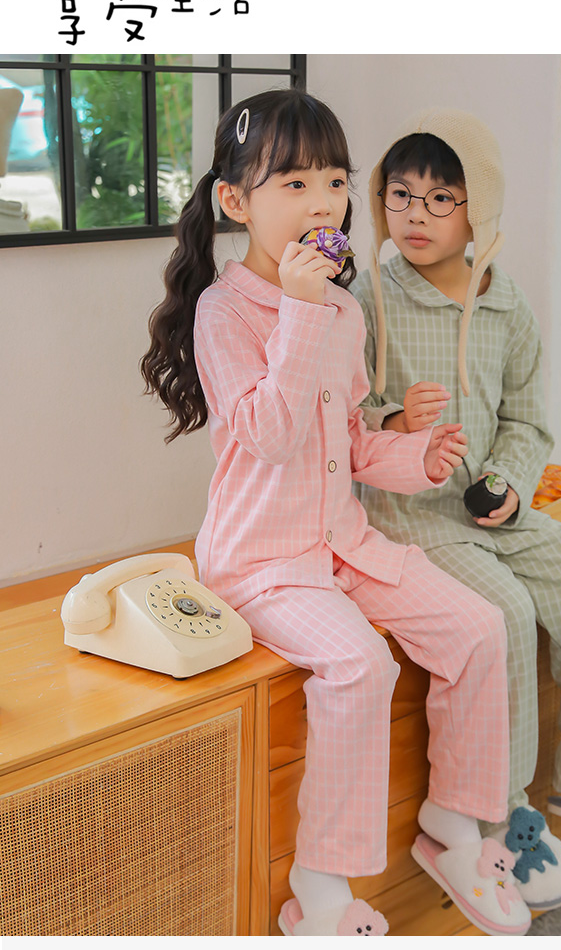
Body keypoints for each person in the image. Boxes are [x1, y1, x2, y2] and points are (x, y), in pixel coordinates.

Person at [141, 89, 532, 938]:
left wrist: (415, 457)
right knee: (360, 665)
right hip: (262, 562)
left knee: (479, 627)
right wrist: (302, 309)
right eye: (294, 183)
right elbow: (271, 436)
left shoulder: (342, 309)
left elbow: (347, 440)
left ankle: (455, 822)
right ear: (236, 201)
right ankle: (319, 888)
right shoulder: (224, 313)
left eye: (334, 181)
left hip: (343, 543)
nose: (322, 203)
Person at [350, 107, 561, 914]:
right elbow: (343, 419)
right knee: (507, 616)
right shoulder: (369, 300)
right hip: (411, 517)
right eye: (400, 195)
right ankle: (505, 820)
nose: (416, 216)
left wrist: (510, 483)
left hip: (494, 507)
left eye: (440, 199)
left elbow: (528, 421)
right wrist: (396, 421)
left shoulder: (506, 304)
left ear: (478, 211)